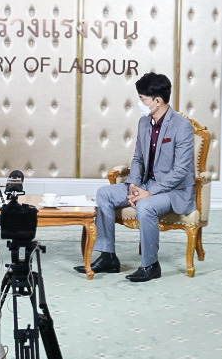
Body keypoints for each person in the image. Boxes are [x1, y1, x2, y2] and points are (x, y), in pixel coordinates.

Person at [84, 72, 196, 283]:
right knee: (104, 194)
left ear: (157, 101)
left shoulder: (182, 126)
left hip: (174, 190)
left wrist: (149, 192)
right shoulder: (144, 123)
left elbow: (181, 170)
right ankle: (108, 257)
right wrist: (133, 184)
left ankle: (150, 265)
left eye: (142, 99)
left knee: (145, 206)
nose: (139, 103)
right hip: (144, 183)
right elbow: (138, 158)